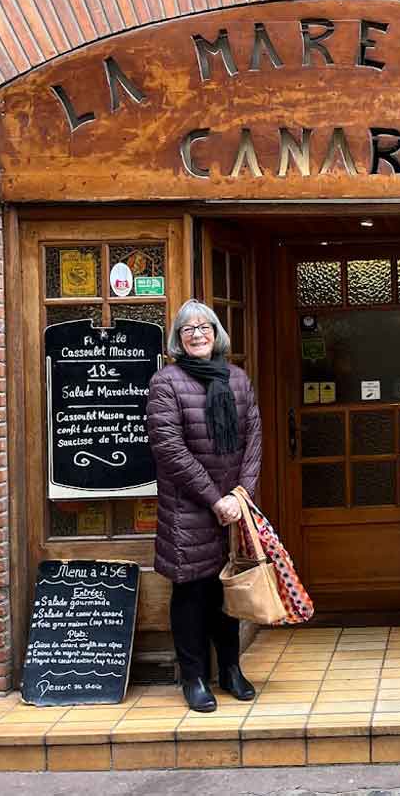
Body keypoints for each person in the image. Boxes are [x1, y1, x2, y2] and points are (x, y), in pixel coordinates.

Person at [146, 299, 262, 712]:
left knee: (226, 592)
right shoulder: (166, 383)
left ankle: (231, 669)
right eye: (188, 329)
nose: (197, 334)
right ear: (179, 339)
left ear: (217, 334)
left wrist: (240, 495)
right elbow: (171, 451)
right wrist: (215, 499)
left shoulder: (238, 379)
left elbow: (253, 440)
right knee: (192, 593)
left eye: (205, 327)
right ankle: (194, 677)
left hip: (232, 506)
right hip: (188, 509)